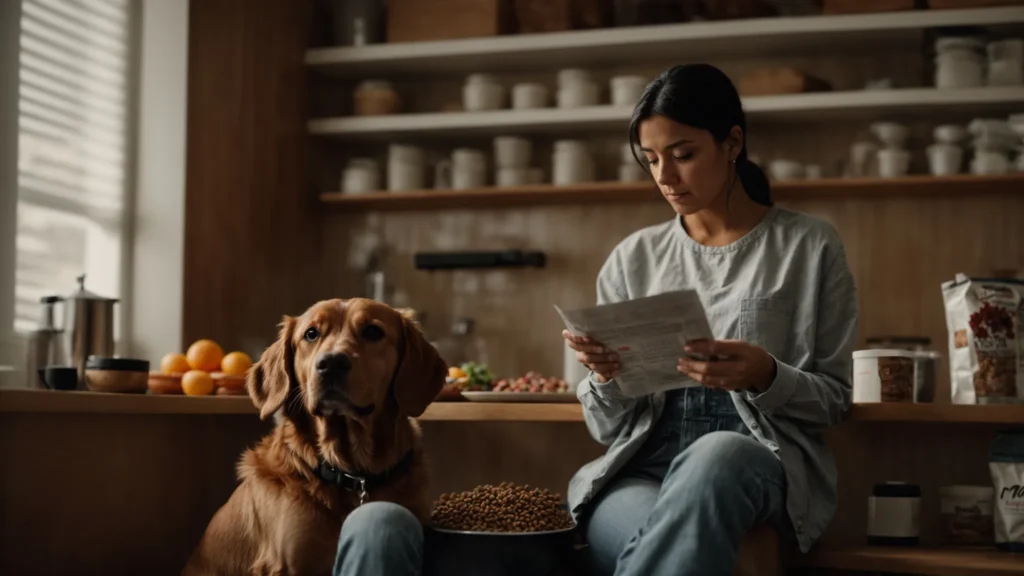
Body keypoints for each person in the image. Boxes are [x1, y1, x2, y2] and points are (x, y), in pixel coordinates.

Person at [563, 63, 859, 576]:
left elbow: (834, 399)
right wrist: (605, 378)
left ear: (733, 143)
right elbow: (603, 429)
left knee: (716, 456)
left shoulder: (809, 247)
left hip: (755, 462)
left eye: (683, 155)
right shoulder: (633, 259)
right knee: (671, 544)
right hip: (642, 470)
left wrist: (766, 375)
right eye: (651, 159)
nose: (664, 176)